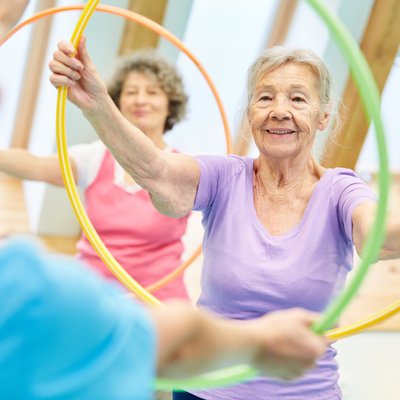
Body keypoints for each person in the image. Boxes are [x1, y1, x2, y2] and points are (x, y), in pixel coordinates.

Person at [48, 38, 400, 400]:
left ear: (323, 115)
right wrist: (97, 103)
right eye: (265, 97)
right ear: (250, 113)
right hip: (203, 389)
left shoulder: (341, 189)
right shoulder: (223, 176)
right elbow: (157, 171)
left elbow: (378, 232)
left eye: (297, 98)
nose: (279, 110)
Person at [0, 238, 328, 399]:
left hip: (140, 310)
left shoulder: (33, 290)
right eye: (265, 98)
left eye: (297, 98)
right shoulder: (35, 293)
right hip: (112, 316)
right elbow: (180, 342)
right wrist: (260, 342)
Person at [0, 49, 191, 301]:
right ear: (117, 102)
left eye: (152, 92)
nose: (140, 100)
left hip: (157, 296)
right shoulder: (95, 156)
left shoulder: (185, 168)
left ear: (170, 105)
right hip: (94, 292)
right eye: (131, 92)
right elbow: (36, 165)